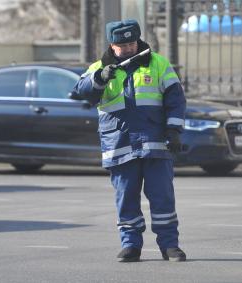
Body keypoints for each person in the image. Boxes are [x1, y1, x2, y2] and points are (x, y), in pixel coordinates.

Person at [71, 19, 186, 262]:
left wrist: (174, 130)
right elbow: (80, 92)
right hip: (119, 145)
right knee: (126, 199)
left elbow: (176, 100)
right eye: (122, 45)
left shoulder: (158, 63)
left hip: (155, 144)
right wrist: (100, 78)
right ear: (112, 45)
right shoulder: (99, 67)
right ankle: (131, 245)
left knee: (162, 197)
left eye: (132, 43)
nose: (128, 49)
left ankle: (170, 246)